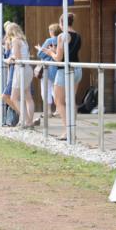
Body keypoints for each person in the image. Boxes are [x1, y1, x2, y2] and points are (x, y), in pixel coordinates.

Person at [42, 12, 82, 140]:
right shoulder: (78, 35)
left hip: (64, 71)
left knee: (59, 101)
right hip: (77, 69)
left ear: (61, 23)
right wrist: (55, 51)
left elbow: (58, 59)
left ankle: (67, 131)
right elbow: (68, 53)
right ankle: (72, 130)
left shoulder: (62, 36)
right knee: (71, 101)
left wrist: (50, 52)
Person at [5, 23, 35, 128]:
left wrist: (9, 59)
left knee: (13, 98)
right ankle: (29, 121)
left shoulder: (15, 40)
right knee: (28, 97)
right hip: (28, 69)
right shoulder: (23, 40)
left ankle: (27, 120)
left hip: (20, 70)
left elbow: (17, 57)